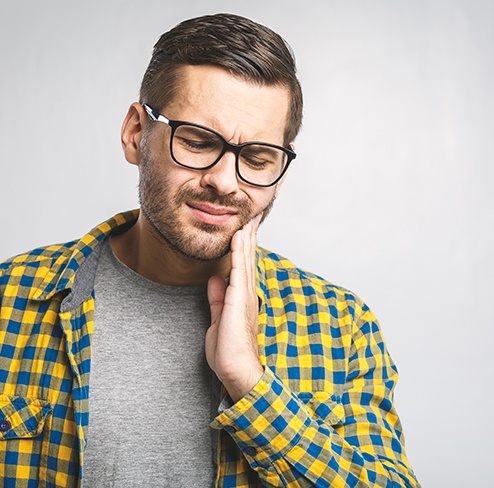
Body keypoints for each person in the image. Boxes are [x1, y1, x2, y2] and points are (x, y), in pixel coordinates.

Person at [0, 12, 420, 488]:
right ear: (136, 133)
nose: (224, 182)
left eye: (258, 158)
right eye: (198, 143)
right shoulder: (8, 299)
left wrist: (251, 384)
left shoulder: (340, 325)